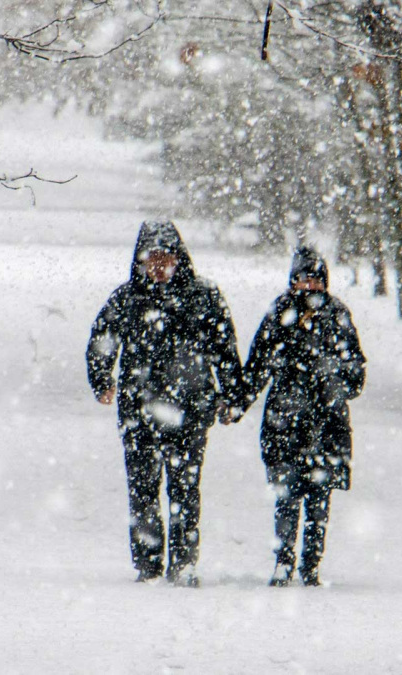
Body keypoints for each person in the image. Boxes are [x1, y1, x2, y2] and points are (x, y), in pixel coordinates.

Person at [86, 220, 243, 587]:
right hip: (138, 410)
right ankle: (148, 564)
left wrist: (231, 396)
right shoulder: (127, 298)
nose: (158, 266)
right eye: (151, 259)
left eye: (165, 258)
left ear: (179, 259)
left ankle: (183, 563)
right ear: (140, 262)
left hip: (190, 410)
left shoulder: (204, 296)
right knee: (142, 489)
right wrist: (102, 381)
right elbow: (101, 341)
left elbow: (224, 349)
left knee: (185, 489)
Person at [238, 246, 366, 587]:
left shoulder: (338, 314)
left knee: (320, 497)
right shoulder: (279, 312)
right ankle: (283, 561)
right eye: (302, 279)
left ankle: (311, 563)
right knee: (285, 496)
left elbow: (356, 373)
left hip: (326, 423)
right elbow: (257, 365)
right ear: (292, 282)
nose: (309, 286)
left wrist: (333, 375)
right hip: (284, 419)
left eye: (315, 280)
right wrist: (237, 404)